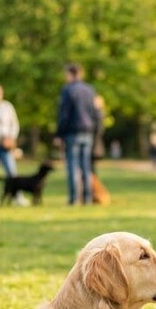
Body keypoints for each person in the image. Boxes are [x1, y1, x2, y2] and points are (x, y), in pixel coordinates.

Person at [54, 63, 99, 205]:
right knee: (86, 166)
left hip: (73, 132)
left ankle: (74, 198)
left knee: (73, 166)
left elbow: (64, 115)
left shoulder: (68, 90)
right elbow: (95, 112)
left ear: (70, 74)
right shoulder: (90, 90)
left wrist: (59, 134)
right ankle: (87, 198)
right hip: (88, 131)